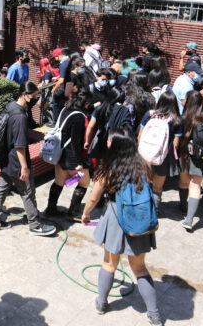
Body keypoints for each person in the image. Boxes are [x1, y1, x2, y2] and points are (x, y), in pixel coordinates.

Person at [80, 129, 161, 325]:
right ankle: (154, 314)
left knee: (109, 264)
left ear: (115, 145)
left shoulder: (108, 168)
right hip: (139, 219)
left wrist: (86, 213)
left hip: (116, 217)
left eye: (109, 140)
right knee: (140, 268)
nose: (107, 142)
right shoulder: (144, 165)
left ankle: (101, 304)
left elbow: (94, 197)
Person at [0, 82, 57, 236]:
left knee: (1, 189)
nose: (36, 99)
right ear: (25, 95)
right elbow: (19, 146)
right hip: (17, 161)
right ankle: (35, 225)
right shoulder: (20, 116)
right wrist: (24, 167)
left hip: (6, 158)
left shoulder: (11, 106)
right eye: (34, 96)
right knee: (28, 192)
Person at [43, 91, 92, 220]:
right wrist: (79, 162)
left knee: (59, 182)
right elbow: (75, 141)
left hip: (59, 153)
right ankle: (73, 213)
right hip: (71, 156)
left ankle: (51, 209)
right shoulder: (79, 116)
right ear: (86, 104)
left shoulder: (65, 109)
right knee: (84, 182)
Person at [178, 90, 203, 231]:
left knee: (184, 182)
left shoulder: (185, 118)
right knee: (196, 186)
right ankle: (189, 220)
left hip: (186, 154)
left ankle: (183, 206)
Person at [138, 90, 184, 211]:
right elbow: (176, 144)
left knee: (146, 182)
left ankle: (143, 206)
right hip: (163, 157)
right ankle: (155, 209)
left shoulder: (149, 115)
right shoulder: (176, 120)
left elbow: (140, 135)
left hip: (145, 154)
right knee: (158, 186)